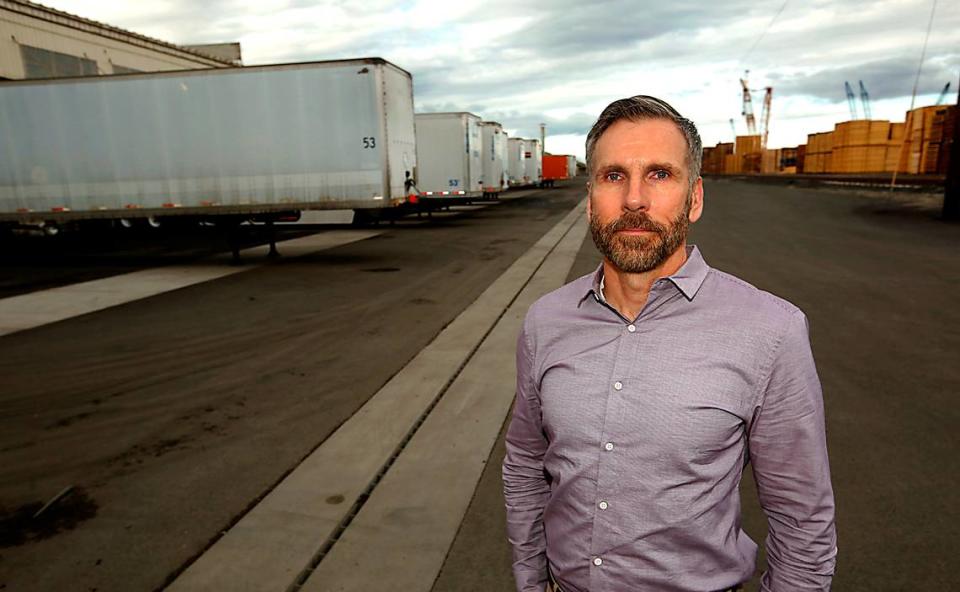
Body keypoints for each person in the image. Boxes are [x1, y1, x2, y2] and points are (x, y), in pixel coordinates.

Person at [502, 96, 837, 592]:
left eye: (659, 174)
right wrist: (531, 583)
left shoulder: (771, 330)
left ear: (694, 198)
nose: (634, 198)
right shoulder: (545, 321)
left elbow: (801, 517)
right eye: (614, 176)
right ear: (590, 197)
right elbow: (526, 465)